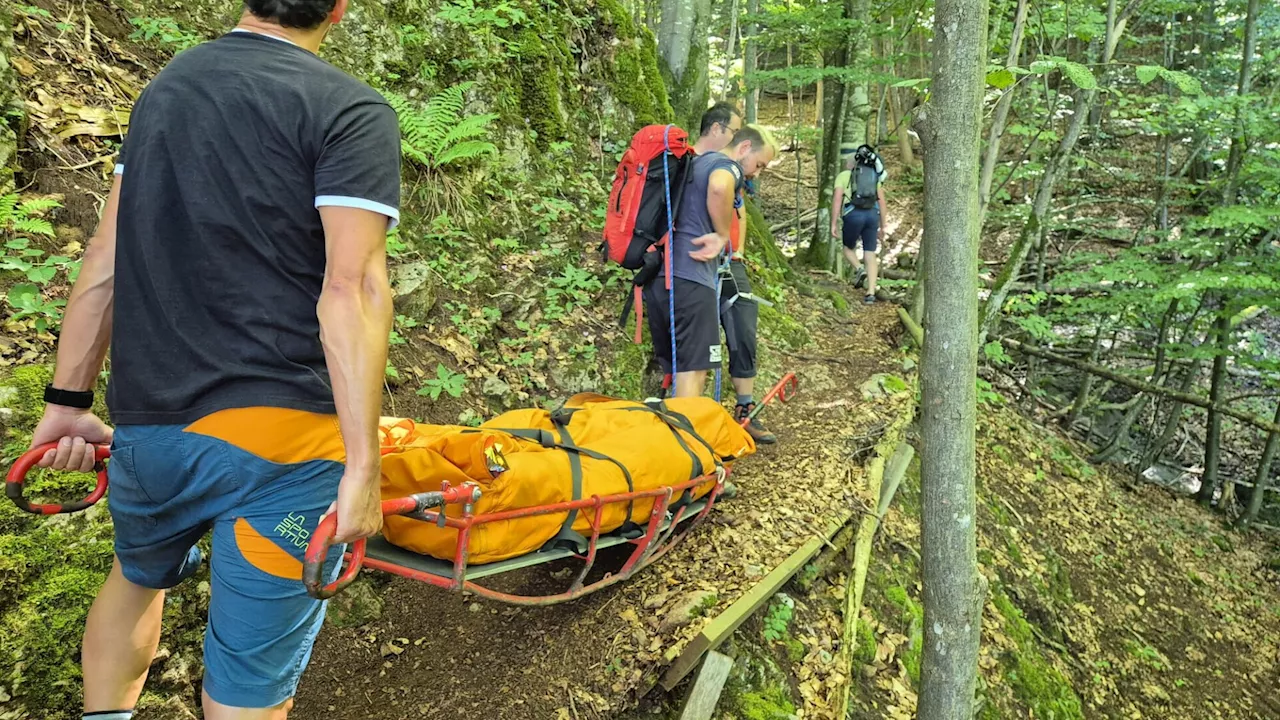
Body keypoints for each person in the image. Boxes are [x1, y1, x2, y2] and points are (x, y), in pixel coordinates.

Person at [28, 1, 400, 718]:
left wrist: (65, 405)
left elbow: (105, 260)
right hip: (282, 446)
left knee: (136, 578)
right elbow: (351, 290)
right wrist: (362, 469)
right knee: (249, 684)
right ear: (340, 9)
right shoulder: (348, 109)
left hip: (151, 430)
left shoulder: (166, 90)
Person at [643, 124, 778, 400]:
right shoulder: (727, 167)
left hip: (661, 278)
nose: (756, 172)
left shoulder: (694, 164)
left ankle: (674, 433)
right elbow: (719, 186)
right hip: (691, 279)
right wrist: (722, 234)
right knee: (695, 369)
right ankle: (685, 440)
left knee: (680, 368)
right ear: (743, 148)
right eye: (759, 164)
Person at [830, 144, 888, 304]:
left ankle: (859, 269)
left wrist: (833, 223)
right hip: (872, 215)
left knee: (848, 248)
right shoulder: (873, 176)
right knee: (870, 252)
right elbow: (882, 202)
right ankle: (870, 293)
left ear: (852, 163)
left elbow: (836, 200)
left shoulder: (843, 176)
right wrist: (883, 226)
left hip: (853, 214)